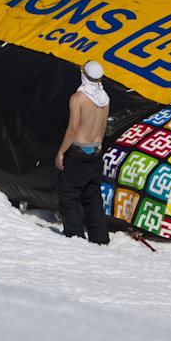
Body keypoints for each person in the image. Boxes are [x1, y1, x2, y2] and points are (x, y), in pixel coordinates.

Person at [54, 60, 111, 245]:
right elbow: (103, 127)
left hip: (78, 152)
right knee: (93, 197)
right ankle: (100, 238)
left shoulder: (78, 98)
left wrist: (61, 152)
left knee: (69, 195)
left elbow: (72, 129)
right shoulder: (105, 98)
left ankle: (75, 237)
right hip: (95, 152)